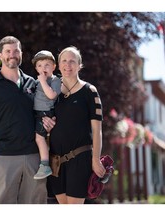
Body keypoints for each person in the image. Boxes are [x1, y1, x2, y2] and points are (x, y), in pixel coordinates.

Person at [0, 36, 49, 204]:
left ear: (21, 54)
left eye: (16, 51)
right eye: (8, 51)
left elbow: (43, 113)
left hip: (34, 156)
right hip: (5, 157)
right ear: (1, 55)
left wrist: (48, 121)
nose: (12, 55)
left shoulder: (34, 83)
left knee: (36, 205)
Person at [46, 46, 106, 204]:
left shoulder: (89, 91)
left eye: (72, 61)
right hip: (55, 162)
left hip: (80, 159)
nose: (68, 65)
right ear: (58, 65)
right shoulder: (51, 91)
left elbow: (97, 130)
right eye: (64, 61)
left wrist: (95, 159)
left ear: (79, 65)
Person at [31, 50, 61, 180]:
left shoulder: (54, 80)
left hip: (46, 114)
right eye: (40, 65)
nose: (43, 69)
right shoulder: (37, 82)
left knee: (39, 138)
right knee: (38, 137)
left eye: (47, 65)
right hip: (38, 113)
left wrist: (43, 81)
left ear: (54, 67)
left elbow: (52, 95)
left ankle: (44, 164)